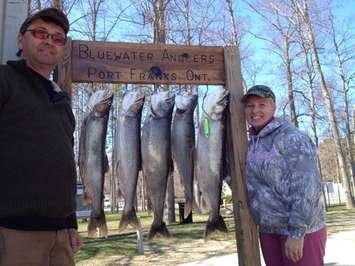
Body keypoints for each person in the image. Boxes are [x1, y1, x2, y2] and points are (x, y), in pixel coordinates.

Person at [0, 8, 82, 266]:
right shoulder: (5, 80)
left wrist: (70, 222)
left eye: (58, 38)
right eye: (40, 33)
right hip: (14, 232)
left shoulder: (62, 101)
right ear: (21, 40)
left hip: (61, 236)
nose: (49, 41)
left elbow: (65, 165)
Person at [242, 85, 327, 266]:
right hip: (269, 231)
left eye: (261, 105)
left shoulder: (292, 137)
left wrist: (297, 233)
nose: (255, 110)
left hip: (301, 232)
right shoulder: (251, 144)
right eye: (250, 106)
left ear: (273, 107)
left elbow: (308, 186)